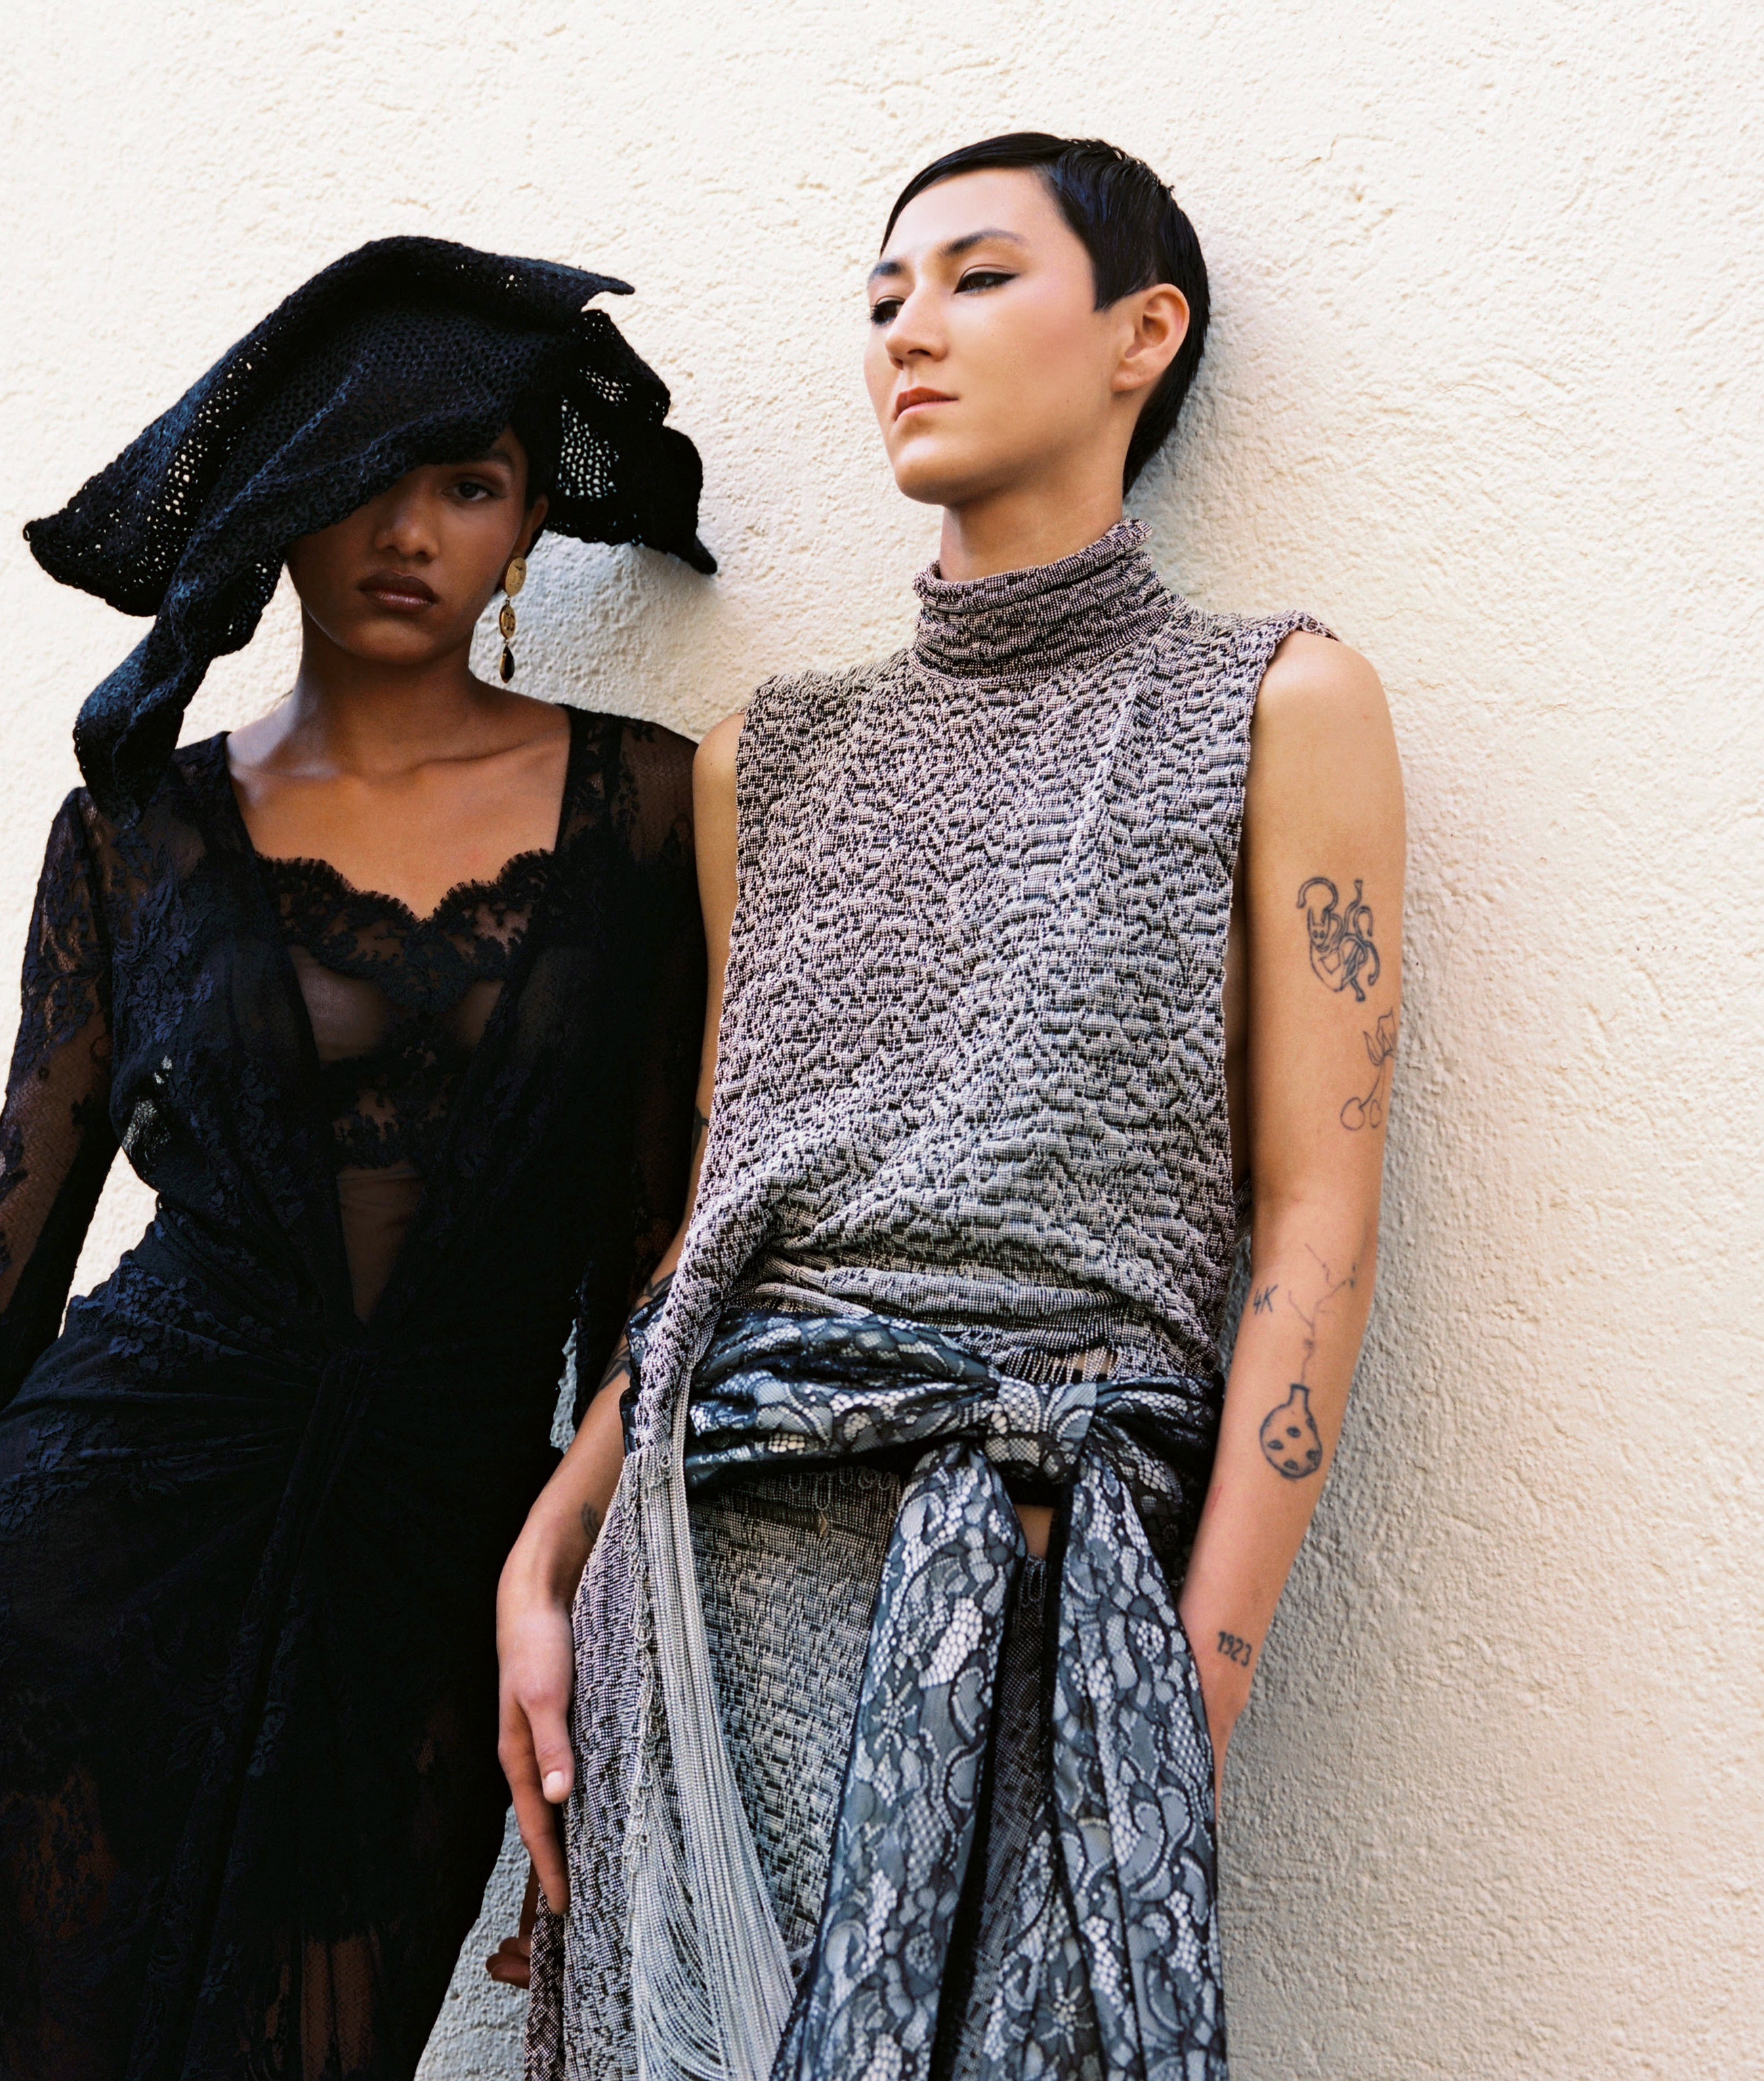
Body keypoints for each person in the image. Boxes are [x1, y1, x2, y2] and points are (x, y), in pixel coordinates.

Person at [0, 238, 715, 2081]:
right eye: (361, 475)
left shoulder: (658, 807)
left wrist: (616, 1690)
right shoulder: (134, 834)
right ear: (280, 504)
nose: (408, 531)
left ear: (529, 525)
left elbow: (659, 1263)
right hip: (89, 1573)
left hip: (432, 1586)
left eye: (469, 483)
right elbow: (1, 1282)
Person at [498, 136, 1406, 2080]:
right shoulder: (770, 758)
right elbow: (721, 1220)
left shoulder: (1275, 703)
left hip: (1044, 1592)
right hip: (707, 1589)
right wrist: (551, 1543)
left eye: (979, 278)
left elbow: (1316, 1221)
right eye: (884, 297)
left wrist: (1192, 1691)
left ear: (1142, 335)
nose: (909, 330)